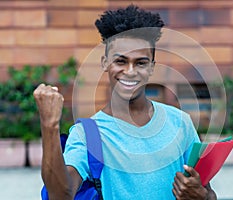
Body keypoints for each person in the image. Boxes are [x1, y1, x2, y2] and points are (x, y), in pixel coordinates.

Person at [34, 5, 217, 200]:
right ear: (105, 63)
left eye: (140, 63)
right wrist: (49, 125)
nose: (130, 71)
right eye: (121, 61)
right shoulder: (88, 134)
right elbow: (60, 196)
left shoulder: (180, 123)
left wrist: (202, 196)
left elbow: (210, 193)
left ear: (152, 67)